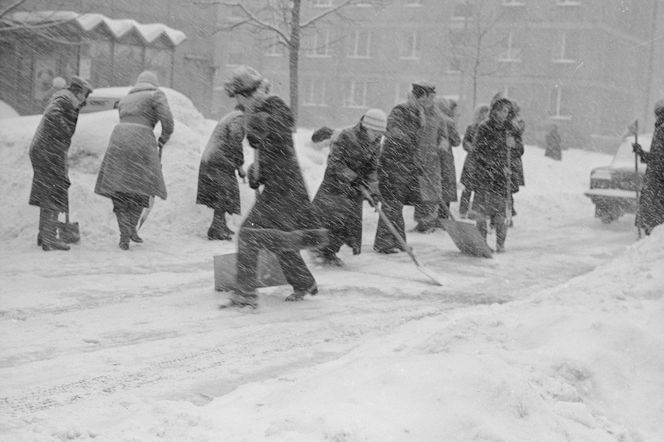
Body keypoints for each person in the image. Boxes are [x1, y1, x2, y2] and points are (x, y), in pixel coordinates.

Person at [226, 65, 327, 307]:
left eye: (238, 97)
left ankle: (245, 294)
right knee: (278, 238)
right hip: (283, 185)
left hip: (283, 188)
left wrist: (260, 124)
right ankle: (303, 282)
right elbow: (271, 152)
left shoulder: (271, 108)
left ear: (247, 93)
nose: (237, 104)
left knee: (250, 236)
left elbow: (280, 133)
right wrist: (256, 171)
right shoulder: (262, 110)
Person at [94, 71, 174, 250]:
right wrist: (163, 138)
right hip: (141, 139)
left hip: (118, 139)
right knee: (140, 187)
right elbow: (168, 121)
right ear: (155, 83)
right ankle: (130, 229)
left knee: (120, 189)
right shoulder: (156, 95)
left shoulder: (125, 99)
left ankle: (125, 232)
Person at [312, 108, 386, 266]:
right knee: (332, 219)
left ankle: (331, 253)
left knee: (348, 224)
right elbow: (335, 163)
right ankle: (321, 251)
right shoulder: (346, 136)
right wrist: (352, 177)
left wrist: (373, 191)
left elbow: (373, 168)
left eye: (380, 132)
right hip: (336, 185)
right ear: (366, 127)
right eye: (376, 131)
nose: (378, 135)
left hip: (355, 189)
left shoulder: (375, 142)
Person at [29, 76, 93, 251]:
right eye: (85, 94)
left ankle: (44, 235)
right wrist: (63, 133)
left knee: (47, 191)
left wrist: (60, 141)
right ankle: (50, 239)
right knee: (54, 191)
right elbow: (53, 115)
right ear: (79, 91)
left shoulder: (62, 97)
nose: (85, 99)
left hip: (44, 148)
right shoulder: (66, 99)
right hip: (49, 150)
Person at [373, 83, 430, 253]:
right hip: (393, 163)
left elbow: (416, 139)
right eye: (422, 100)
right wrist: (405, 142)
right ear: (414, 97)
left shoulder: (418, 113)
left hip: (406, 164)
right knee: (391, 203)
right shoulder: (400, 110)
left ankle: (398, 240)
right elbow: (392, 129)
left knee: (397, 204)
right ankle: (384, 242)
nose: (424, 104)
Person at [196, 104, 246, 240]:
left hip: (211, 158)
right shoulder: (240, 118)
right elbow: (235, 137)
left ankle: (219, 225)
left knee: (220, 192)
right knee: (223, 193)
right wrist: (240, 164)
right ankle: (216, 229)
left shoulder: (229, 117)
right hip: (219, 160)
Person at [472, 97, 513, 253]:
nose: (504, 114)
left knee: (500, 213)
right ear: (494, 111)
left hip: (501, 179)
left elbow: (517, 151)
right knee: (482, 212)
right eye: (502, 110)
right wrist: (495, 166)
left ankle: (500, 244)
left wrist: (514, 146)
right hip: (485, 175)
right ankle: (482, 242)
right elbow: (478, 151)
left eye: (507, 111)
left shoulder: (508, 129)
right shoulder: (485, 128)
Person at [633, 99, 664, 235]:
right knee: (653, 221)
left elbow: (658, 159)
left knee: (654, 223)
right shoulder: (660, 128)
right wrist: (642, 153)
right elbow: (658, 157)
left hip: (657, 184)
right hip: (656, 182)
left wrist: (642, 154)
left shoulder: (662, 129)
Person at [459, 104, 490, 218]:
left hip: (483, 162)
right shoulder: (471, 128)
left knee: (480, 188)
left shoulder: (489, 128)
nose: (484, 115)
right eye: (482, 113)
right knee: (468, 186)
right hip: (472, 161)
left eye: (486, 113)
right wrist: (470, 147)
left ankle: (475, 210)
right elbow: (465, 142)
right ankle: (463, 210)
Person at [435, 98, 462, 223]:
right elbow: (457, 141)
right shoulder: (449, 121)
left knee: (435, 184)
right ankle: (443, 217)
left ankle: (431, 216)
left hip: (432, 156)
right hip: (445, 156)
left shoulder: (432, 118)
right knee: (447, 185)